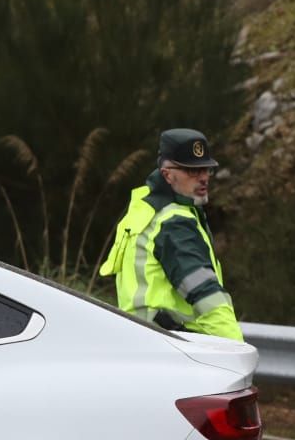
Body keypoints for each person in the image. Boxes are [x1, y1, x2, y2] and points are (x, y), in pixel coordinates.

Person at [98, 128, 242, 340]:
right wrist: (235, 348)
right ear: (167, 174)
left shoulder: (146, 207)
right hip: (176, 346)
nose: (203, 178)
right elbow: (206, 295)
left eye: (206, 169)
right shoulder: (174, 224)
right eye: (193, 171)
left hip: (146, 341)